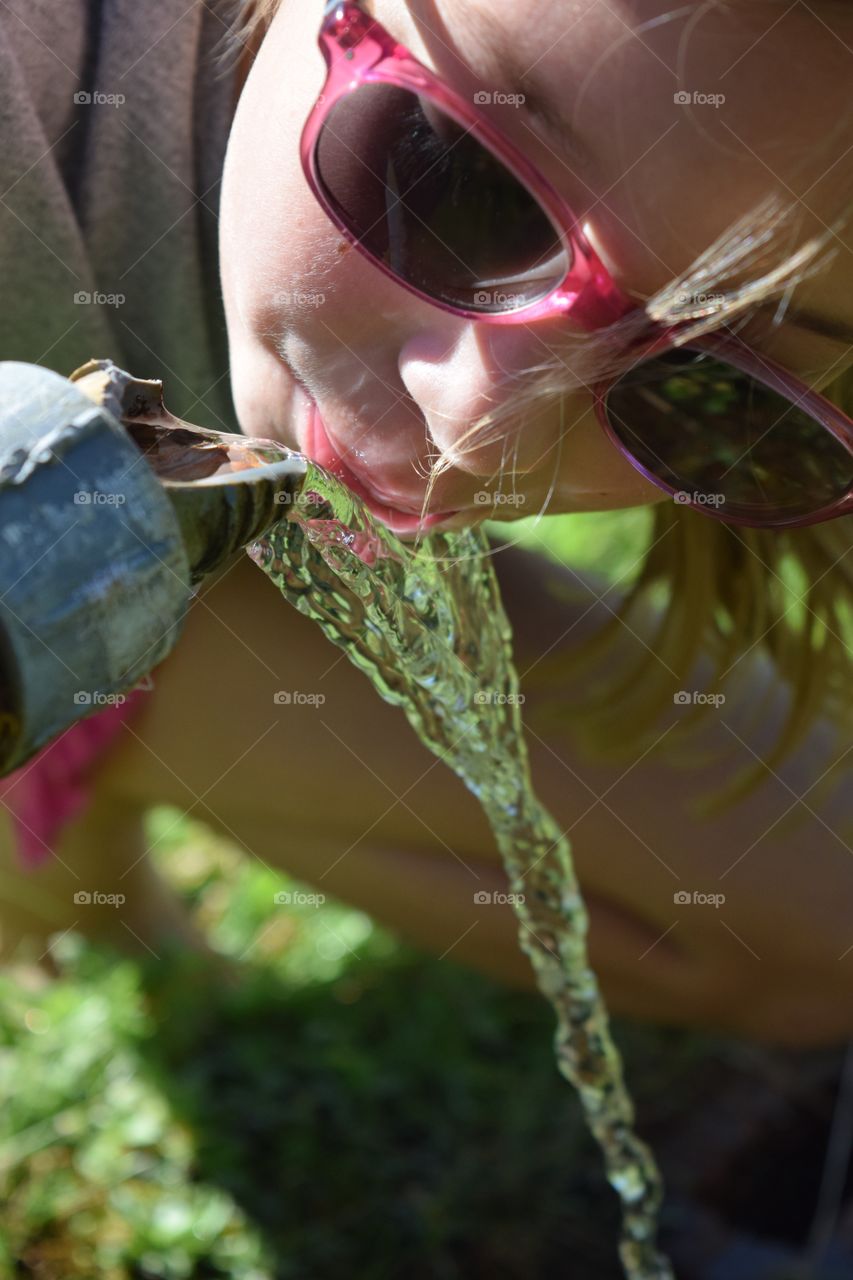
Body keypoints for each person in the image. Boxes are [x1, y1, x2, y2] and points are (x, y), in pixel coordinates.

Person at [0, 0, 851, 1045]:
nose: (480, 429)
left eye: (710, 378)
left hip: (183, 548)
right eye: (452, 177)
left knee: (823, 936)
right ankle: (62, 809)